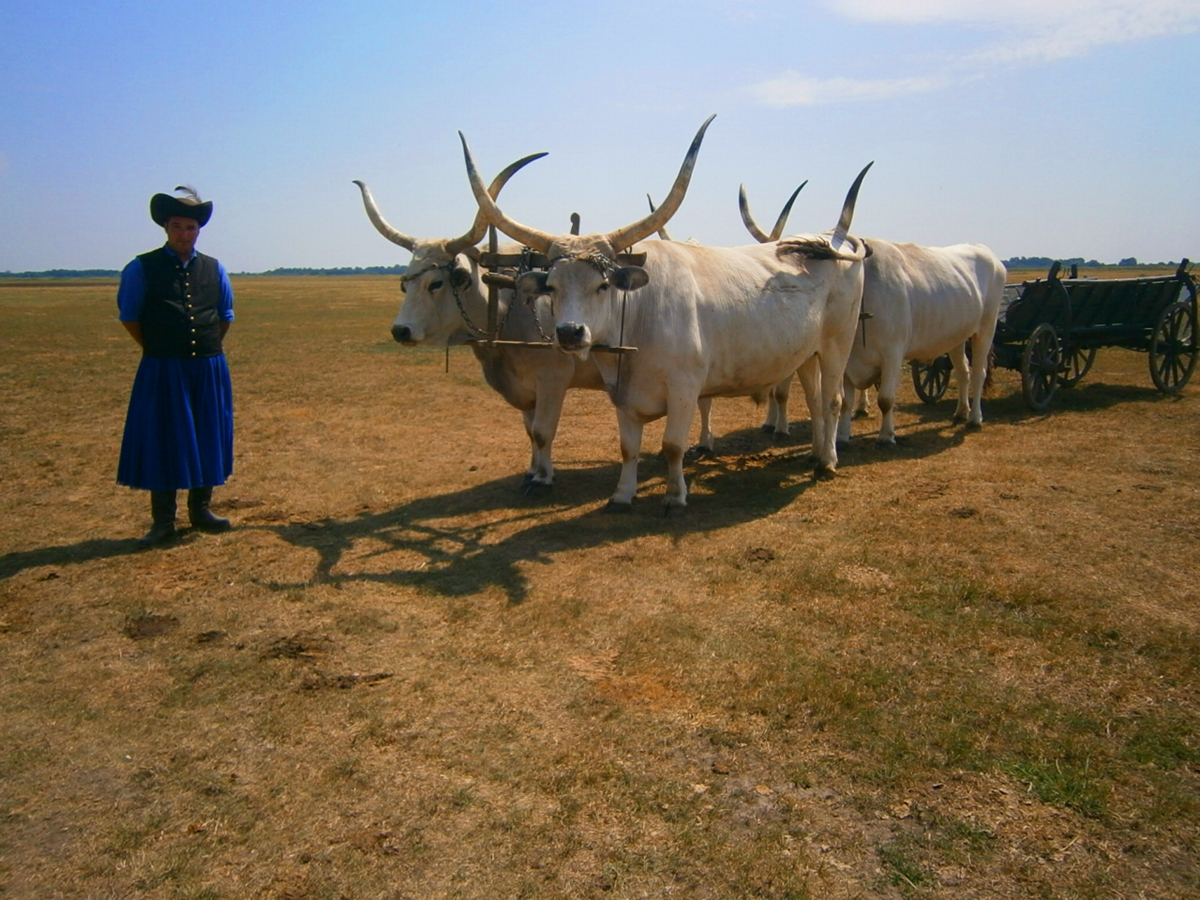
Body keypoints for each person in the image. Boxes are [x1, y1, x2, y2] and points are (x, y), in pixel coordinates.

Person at [117, 186, 235, 547]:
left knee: (207, 434)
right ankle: (163, 521)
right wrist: (157, 347)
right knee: (163, 439)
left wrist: (205, 350)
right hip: (163, 368)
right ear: (166, 227)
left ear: (198, 231)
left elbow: (225, 315)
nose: (185, 234)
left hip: (208, 368)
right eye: (178, 226)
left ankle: (201, 510)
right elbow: (130, 316)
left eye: (191, 228)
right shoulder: (141, 268)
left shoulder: (215, 269)